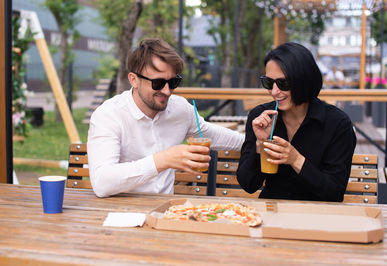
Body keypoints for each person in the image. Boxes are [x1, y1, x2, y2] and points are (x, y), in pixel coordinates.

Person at [87, 38, 244, 197]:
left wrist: (256, 143)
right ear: (134, 80)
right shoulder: (109, 114)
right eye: (158, 83)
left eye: (174, 82)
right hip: (118, 213)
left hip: (167, 211)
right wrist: (161, 161)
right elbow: (102, 183)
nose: (167, 91)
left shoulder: (180, 109)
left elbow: (213, 135)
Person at [236, 42, 356, 202]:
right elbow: (248, 184)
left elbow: (334, 192)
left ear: (304, 80)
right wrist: (260, 145)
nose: (274, 91)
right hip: (272, 214)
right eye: (268, 83)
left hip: (318, 217)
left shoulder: (337, 123)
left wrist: (296, 160)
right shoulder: (261, 117)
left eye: (283, 83)